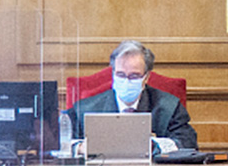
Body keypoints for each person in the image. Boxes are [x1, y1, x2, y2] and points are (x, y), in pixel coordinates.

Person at [62, 41, 197, 149]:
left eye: (134, 76)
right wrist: (80, 148)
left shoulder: (169, 107)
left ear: (146, 77)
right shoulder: (85, 109)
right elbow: (61, 142)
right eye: (120, 75)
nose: (126, 81)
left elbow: (187, 143)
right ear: (113, 73)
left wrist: (153, 146)